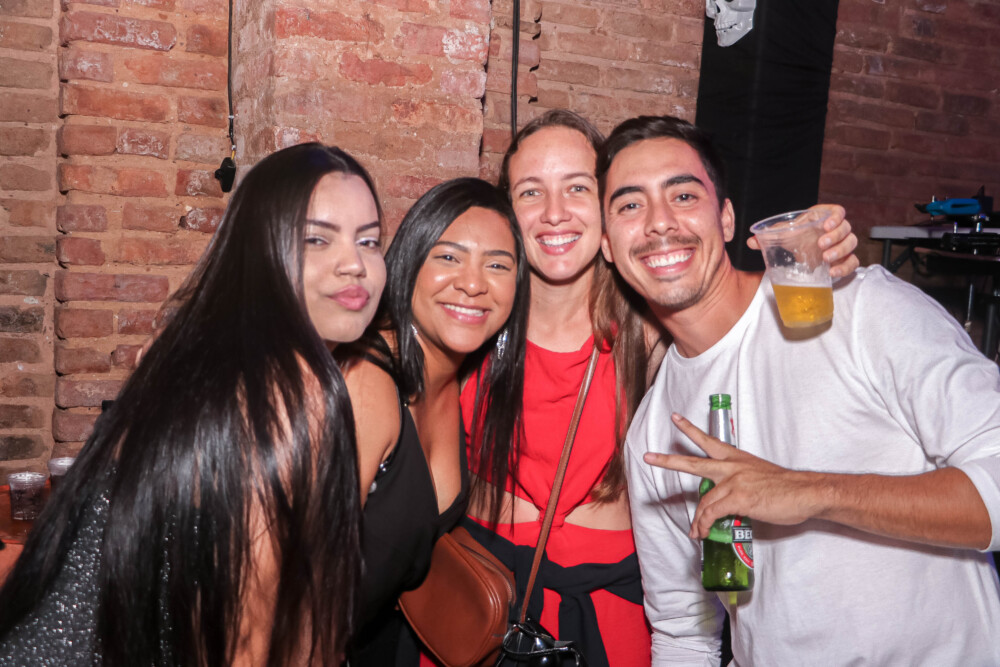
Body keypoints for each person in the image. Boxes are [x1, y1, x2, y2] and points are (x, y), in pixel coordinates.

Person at [459, 110, 860, 665]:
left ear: (607, 216)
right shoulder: (472, 319)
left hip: (613, 616)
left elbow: (750, 328)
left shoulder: (655, 328)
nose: (554, 212)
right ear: (509, 209)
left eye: (577, 188)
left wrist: (810, 256)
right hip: (482, 604)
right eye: (531, 191)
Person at [599, 115, 1000, 664]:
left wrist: (812, 492)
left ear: (727, 218)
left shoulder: (858, 308)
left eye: (684, 195)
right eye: (630, 205)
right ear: (607, 245)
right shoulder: (652, 436)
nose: (659, 223)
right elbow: (684, 633)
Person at [0, 143, 385, 666]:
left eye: (369, 241)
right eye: (316, 239)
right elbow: (249, 647)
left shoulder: (200, 348)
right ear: (259, 251)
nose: (355, 265)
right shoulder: (288, 388)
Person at [340, 177, 530, 665]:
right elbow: (290, 584)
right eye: (448, 257)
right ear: (409, 263)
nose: (473, 283)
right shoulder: (367, 383)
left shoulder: (463, 383)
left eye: (497, 265)